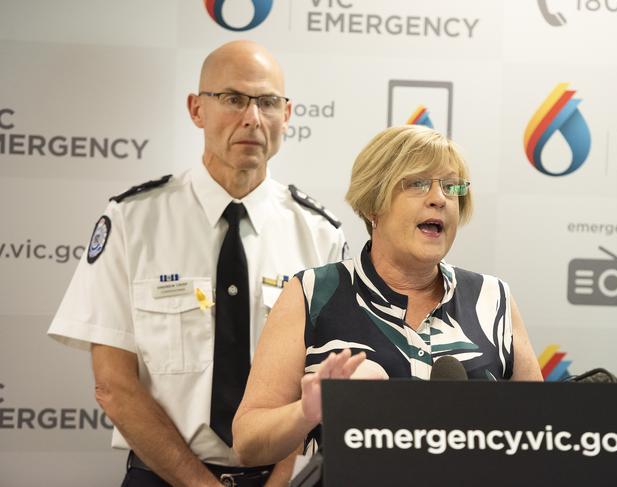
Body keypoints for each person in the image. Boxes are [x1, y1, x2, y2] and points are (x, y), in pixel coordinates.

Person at [47, 40, 347, 487]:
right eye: (232, 99)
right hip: (162, 477)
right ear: (196, 109)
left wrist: (279, 480)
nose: (252, 118)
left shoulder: (321, 235)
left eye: (267, 102)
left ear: (286, 115)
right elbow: (113, 384)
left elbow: (324, 386)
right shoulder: (132, 220)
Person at [232, 125, 543, 467]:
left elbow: (542, 437)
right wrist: (306, 412)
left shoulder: (493, 299)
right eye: (418, 183)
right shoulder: (311, 294)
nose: (439, 198)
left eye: (451, 186)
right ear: (373, 206)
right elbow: (247, 443)